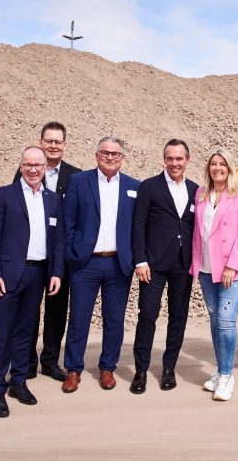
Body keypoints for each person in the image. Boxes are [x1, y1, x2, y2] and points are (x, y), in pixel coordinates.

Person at [0, 146, 64, 418]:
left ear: (44, 168)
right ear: (20, 166)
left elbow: (57, 240)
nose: (33, 169)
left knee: (25, 332)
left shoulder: (53, 199)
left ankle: (18, 381)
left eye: (38, 165)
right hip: (7, 275)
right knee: (4, 332)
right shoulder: (3, 195)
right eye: (28, 164)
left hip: (38, 274)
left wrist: (56, 272)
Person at [61, 136, 140, 393]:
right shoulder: (78, 182)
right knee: (79, 319)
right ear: (96, 155)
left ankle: (107, 367)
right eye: (105, 153)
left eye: (115, 154)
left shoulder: (133, 187)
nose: (109, 157)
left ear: (122, 158)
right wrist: (73, 253)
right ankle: (73, 369)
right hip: (86, 264)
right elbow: (67, 222)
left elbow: (137, 228)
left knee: (114, 319)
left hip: (118, 264)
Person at [13, 121, 82, 382]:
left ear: (65, 145)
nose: (53, 145)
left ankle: (50, 361)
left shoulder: (77, 176)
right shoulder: (25, 172)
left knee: (56, 311)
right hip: (32, 257)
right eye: (48, 140)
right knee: (29, 311)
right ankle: (27, 361)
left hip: (60, 257)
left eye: (58, 141)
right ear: (41, 142)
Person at [129, 139, 198, 394]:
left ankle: (169, 368)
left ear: (187, 160)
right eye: (170, 158)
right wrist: (140, 260)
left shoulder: (196, 190)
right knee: (147, 314)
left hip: (183, 265)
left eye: (179, 158)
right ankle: (140, 371)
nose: (175, 163)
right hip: (153, 265)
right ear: (164, 160)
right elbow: (138, 226)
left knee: (178, 318)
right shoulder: (149, 187)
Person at [189, 148, 238, 401]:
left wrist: (232, 265)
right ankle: (220, 370)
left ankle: (227, 376)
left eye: (222, 164)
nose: (217, 168)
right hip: (207, 267)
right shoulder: (201, 193)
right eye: (213, 164)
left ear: (230, 168)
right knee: (215, 318)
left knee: (226, 320)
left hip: (233, 269)